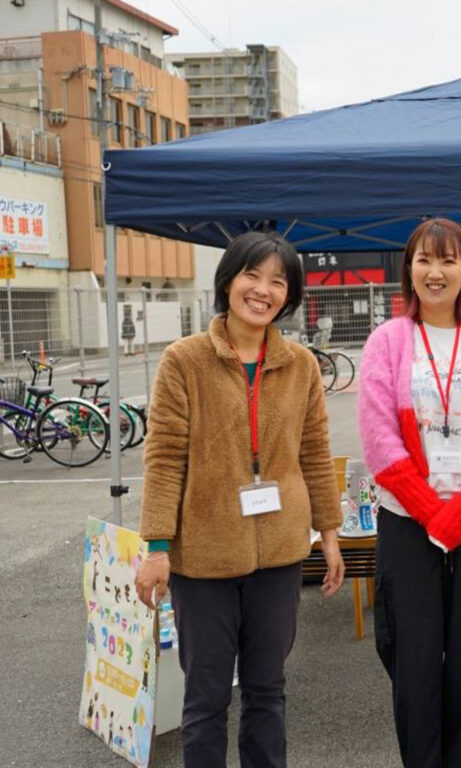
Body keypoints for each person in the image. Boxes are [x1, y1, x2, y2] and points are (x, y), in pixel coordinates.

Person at [135, 231, 344, 768]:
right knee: (205, 699)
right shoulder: (185, 360)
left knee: (267, 690)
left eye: (278, 281)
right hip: (202, 558)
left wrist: (330, 531)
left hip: (278, 553)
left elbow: (316, 452)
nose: (263, 290)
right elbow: (164, 458)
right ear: (228, 281)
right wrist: (158, 547)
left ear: (289, 296)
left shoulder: (300, 365)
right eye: (253, 275)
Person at [358, 217, 461, 768]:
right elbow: (380, 442)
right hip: (408, 520)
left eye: (449, 260)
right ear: (409, 269)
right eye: (425, 259)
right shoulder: (387, 341)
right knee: (414, 659)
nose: (436, 271)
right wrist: (433, 515)